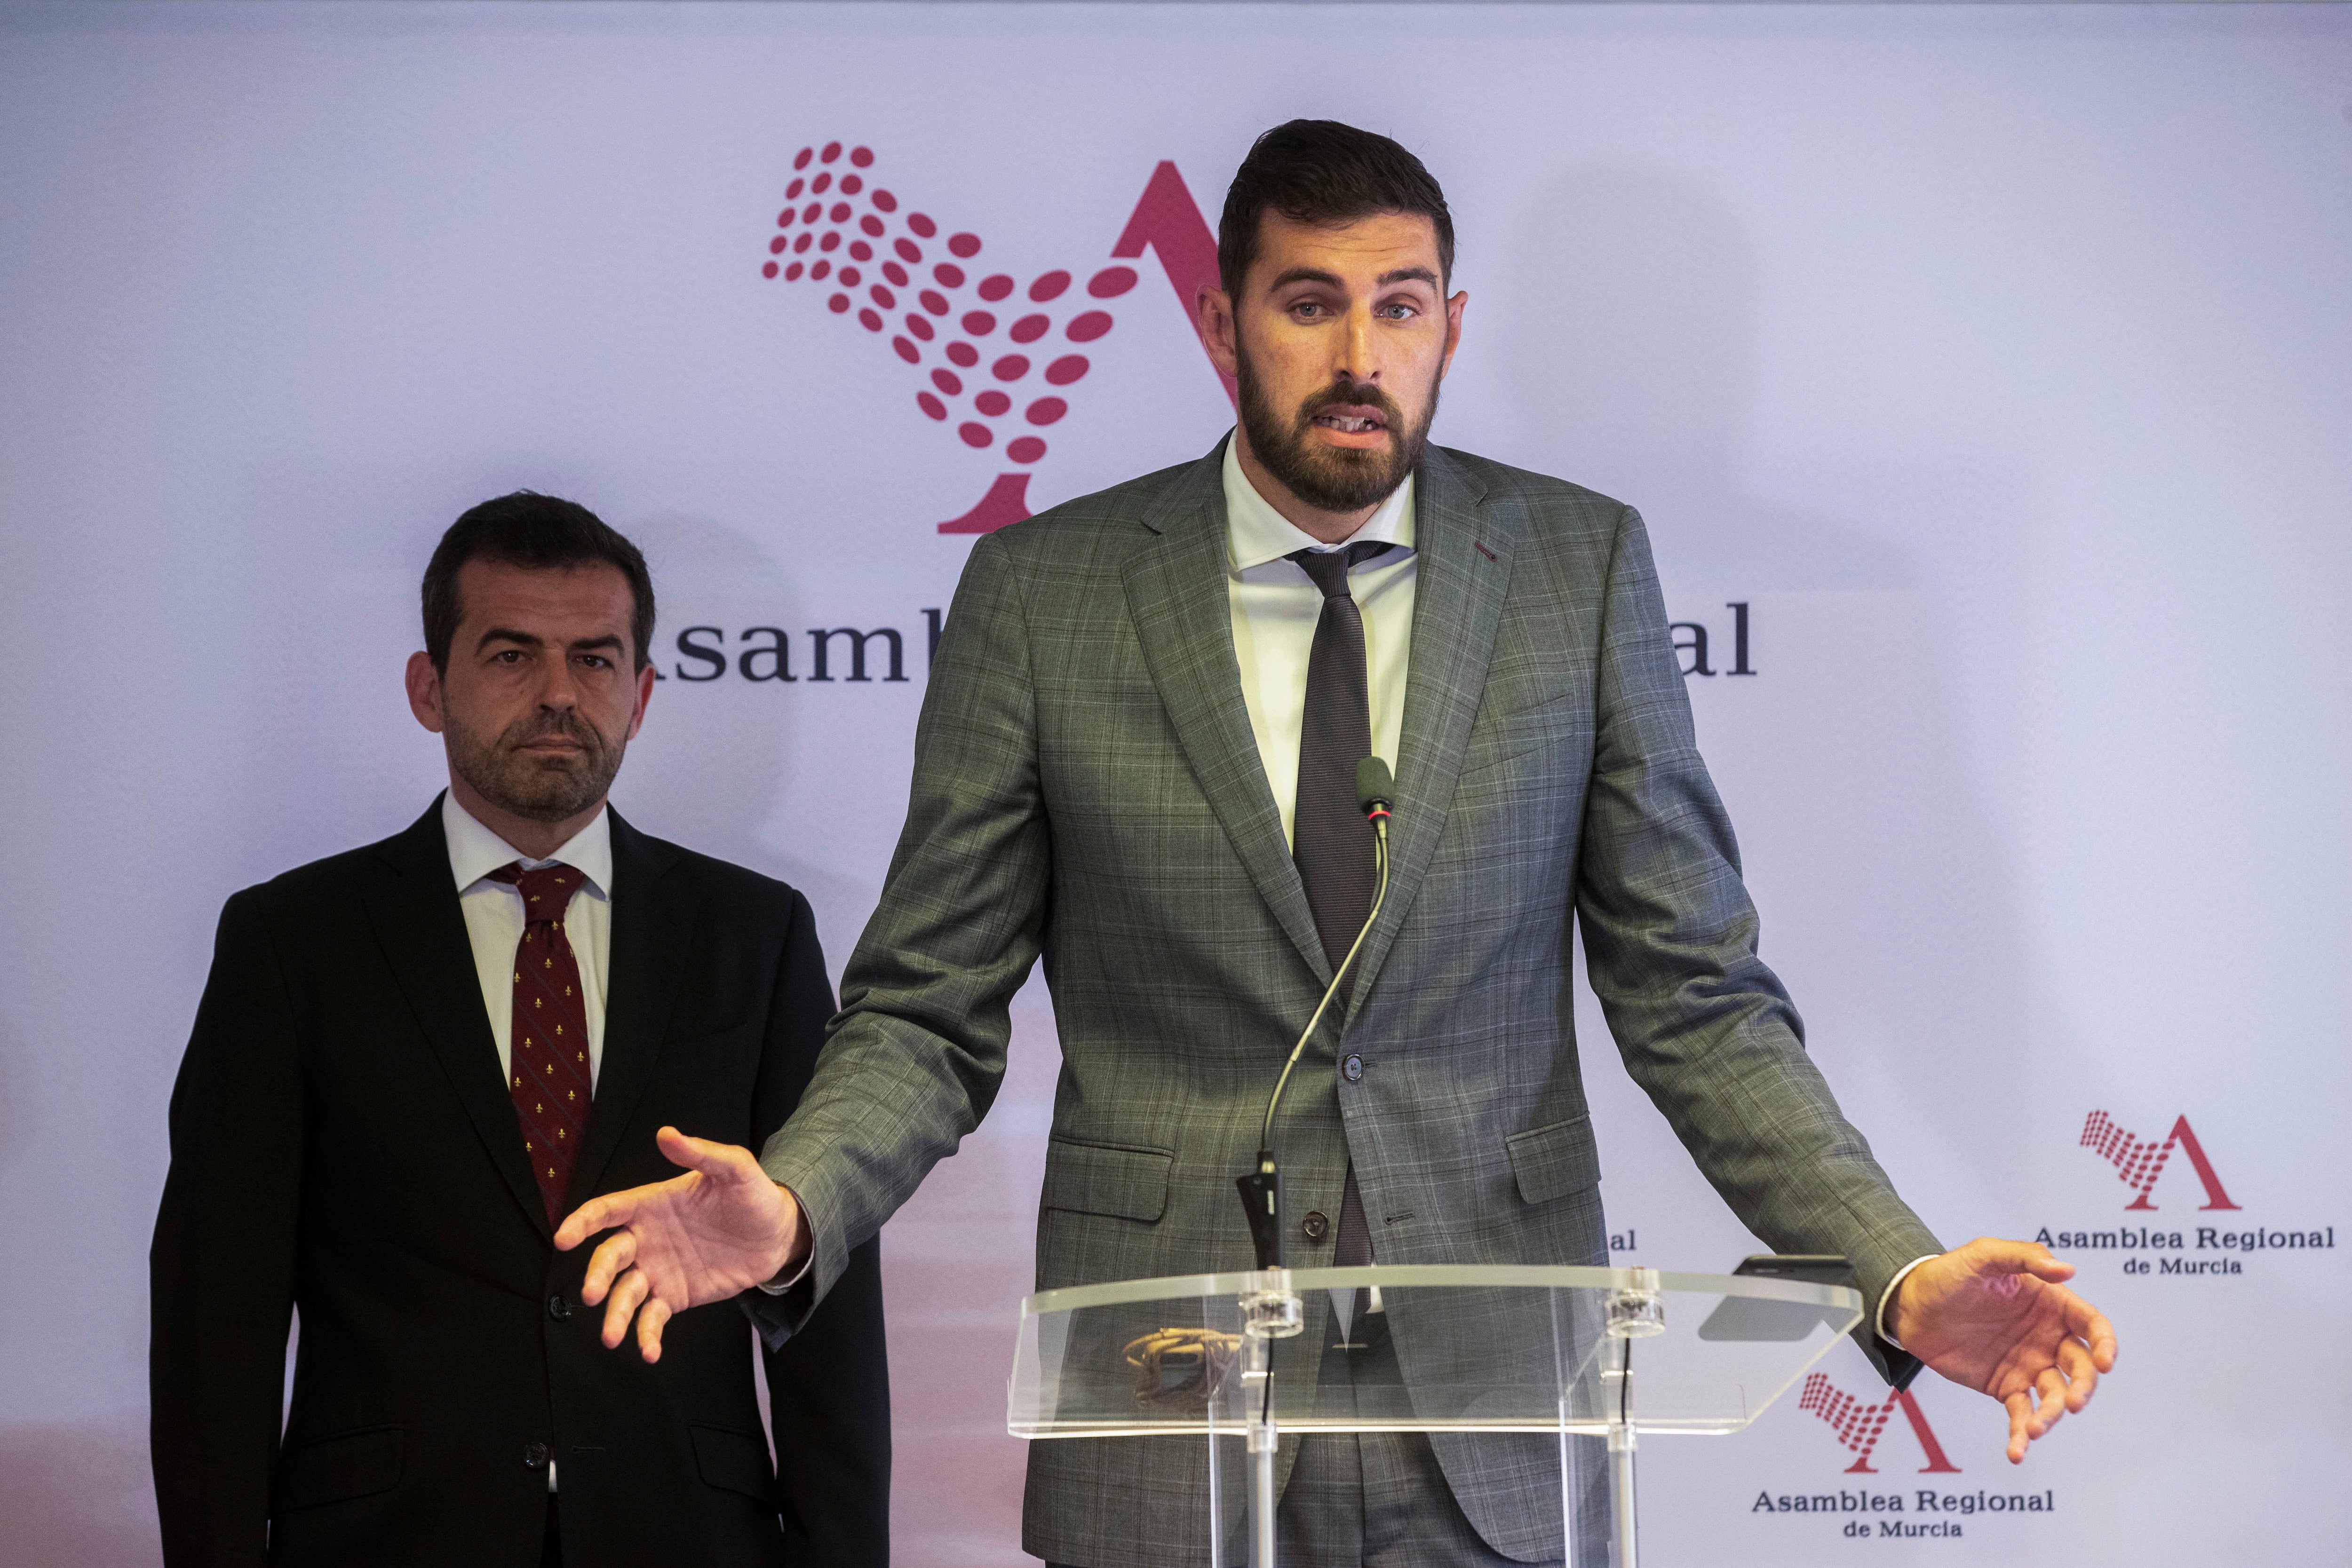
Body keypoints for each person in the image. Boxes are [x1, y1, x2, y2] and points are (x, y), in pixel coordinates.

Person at [554, 122, 2116, 1567]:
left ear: (1451, 321)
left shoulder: (1578, 569)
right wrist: (804, 1195)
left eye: (1404, 303)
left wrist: (1897, 1273)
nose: (1362, 355)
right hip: (1170, 1410)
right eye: (1311, 303)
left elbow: (1698, 1001)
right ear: (1223, 325)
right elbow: (925, 1009)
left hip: (1499, 1424)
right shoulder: (1045, 594)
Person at [149, 493, 890, 1568]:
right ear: (427, 686)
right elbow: (219, 1315)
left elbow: (824, 1296)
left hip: (687, 1534)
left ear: (640, 696)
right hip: (381, 1537)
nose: (557, 694)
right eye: (510, 654)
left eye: (594, 660)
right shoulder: (292, 941)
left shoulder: (755, 933)